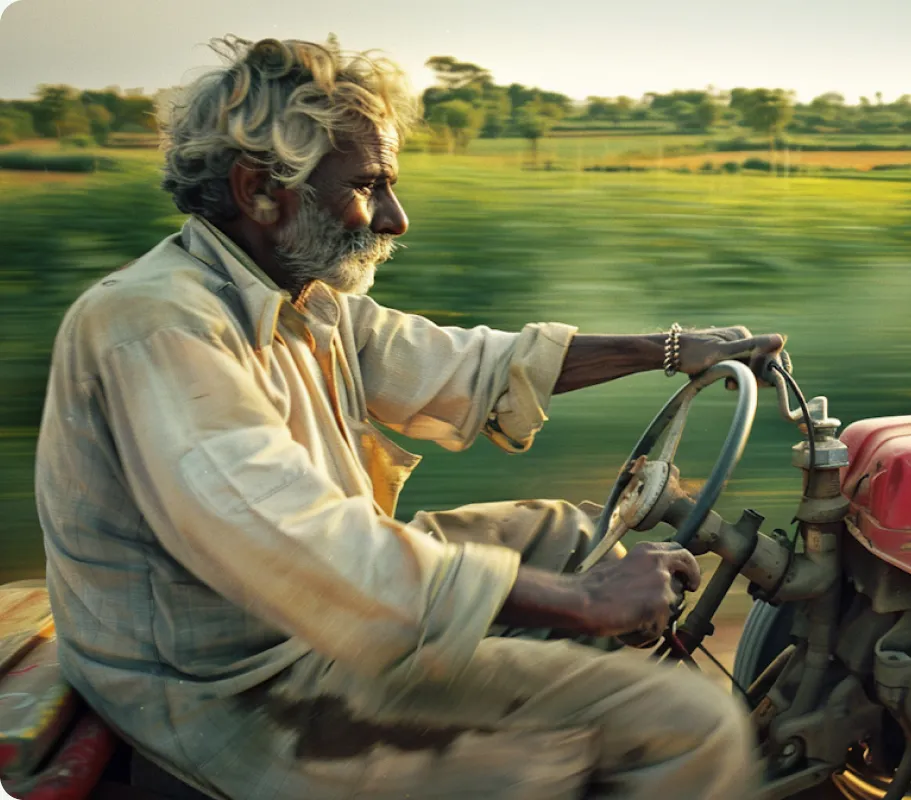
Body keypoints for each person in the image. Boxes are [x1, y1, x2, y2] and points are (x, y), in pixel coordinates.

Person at [34, 35, 783, 800]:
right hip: (236, 690)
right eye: (369, 186)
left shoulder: (299, 298)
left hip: (295, 620)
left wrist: (669, 349)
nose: (395, 219)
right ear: (259, 190)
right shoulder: (157, 325)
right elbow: (301, 542)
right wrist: (588, 602)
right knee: (688, 725)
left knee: (570, 534)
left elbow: (464, 364)